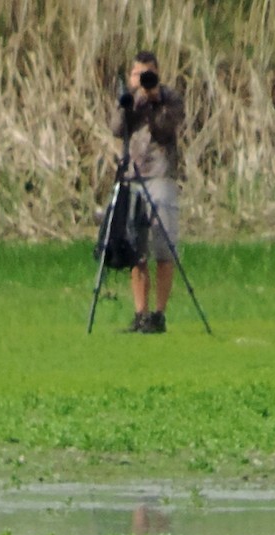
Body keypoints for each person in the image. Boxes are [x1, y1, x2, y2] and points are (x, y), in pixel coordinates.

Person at [108, 50, 185, 334]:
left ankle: (159, 314)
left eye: (147, 75)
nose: (142, 80)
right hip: (133, 177)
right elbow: (116, 129)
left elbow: (165, 127)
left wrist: (153, 100)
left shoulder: (170, 99)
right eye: (137, 75)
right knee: (135, 248)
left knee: (164, 248)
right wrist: (130, 102)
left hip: (160, 176)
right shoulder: (129, 100)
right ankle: (140, 313)